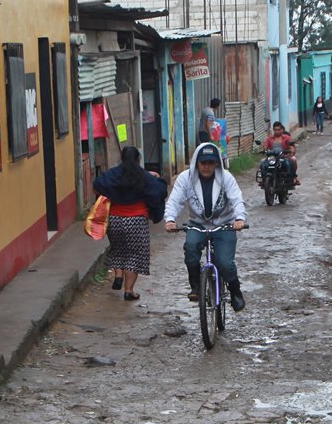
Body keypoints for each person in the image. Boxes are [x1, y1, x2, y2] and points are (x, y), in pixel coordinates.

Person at [163, 142, 248, 310]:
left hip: (224, 225)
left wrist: (239, 219)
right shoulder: (185, 178)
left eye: (210, 163)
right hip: (198, 225)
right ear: (197, 163)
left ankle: (235, 291)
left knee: (225, 262)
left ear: (217, 163)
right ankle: (196, 286)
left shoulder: (226, 178)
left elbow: (237, 200)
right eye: (203, 163)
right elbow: (175, 200)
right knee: (191, 249)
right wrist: (170, 219)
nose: (207, 167)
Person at [92, 146, 167, 302]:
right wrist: (156, 177)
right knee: (134, 256)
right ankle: (129, 290)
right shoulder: (143, 176)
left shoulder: (113, 174)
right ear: (138, 159)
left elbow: (98, 185)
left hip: (115, 220)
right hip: (136, 221)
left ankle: (118, 275)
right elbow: (159, 190)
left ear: (122, 158)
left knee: (118, 249)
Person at [262, 121, 299, 185]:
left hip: (284, 157)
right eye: (275, 130)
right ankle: (263, 180)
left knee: (291, 161)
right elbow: (265, 147)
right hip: (272, 157)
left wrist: (291, 151)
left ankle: (292, 178)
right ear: (273, 130)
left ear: (282, 130)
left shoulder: (287, 138)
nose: (277, 131)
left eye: (278, 130)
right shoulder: (269, 138)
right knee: (262, 163)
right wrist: (264, 150)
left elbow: (291, 147)